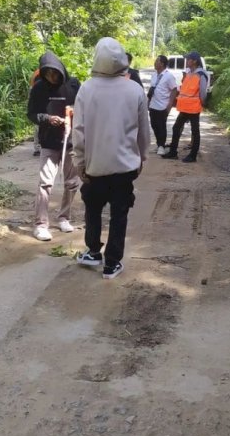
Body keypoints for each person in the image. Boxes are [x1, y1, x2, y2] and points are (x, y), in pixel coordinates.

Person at [73, 38, 150, 279]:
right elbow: (143, 130)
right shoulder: (134, 90)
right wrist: (142, 157)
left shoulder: (86, 89)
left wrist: (79, 161)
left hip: (95, 165)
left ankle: (93, 252)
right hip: (125, 167)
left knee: (93, 209)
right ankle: (112, 263)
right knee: (119, 214)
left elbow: (79, 130)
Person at [26, 52, 82, 242]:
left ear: (60, 70)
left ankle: (64, 217)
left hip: (71, 141)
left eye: (54, 73)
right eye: (48, 74)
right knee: (45, 183)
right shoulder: (39, 88)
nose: (52, 77)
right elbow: (32, 113)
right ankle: (41, 225)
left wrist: (74, 112)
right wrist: (48, 119)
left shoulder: (73, 85)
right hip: (49, 142)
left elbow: (84, 107)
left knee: (72, 182)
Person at [161, 51, 208, 163]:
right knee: (176, 128)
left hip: (193, 108)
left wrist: (202, 104)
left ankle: (192, 156)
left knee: (195, 131)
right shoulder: (189, 73)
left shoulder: (201, 74)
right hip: (185, 108)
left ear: (195, 61)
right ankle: (173, 152)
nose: (186, 61)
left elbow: (203, 93)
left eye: (188, 59)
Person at [147, 54, 178, 156]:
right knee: (154, 125)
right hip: (153, 105)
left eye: (157, 61)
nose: (155, 63)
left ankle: (161, 146)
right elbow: (152, 89)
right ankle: (159, 144)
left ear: (162, 64)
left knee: (161, 126)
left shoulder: (168, 76)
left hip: (162, 105)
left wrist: (170, 104)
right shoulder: (154, 75)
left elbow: (174, 89)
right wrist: (148, 101)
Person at [29, 65, 42, 156]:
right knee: (38, 125)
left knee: (37, 125)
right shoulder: (39, 74)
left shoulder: (36, 73)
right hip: (37, 97)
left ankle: (37, 147)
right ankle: (37, 147)